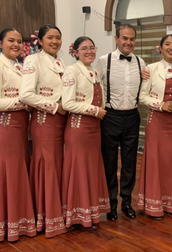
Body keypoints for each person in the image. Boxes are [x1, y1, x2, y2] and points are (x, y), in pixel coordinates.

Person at [0, 28, 36, 242]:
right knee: (8, 174)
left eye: (19, 41)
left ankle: (19, 220)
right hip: (4, 127)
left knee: (18, 172)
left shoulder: (20, 67)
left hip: (20, 128)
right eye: (10, 41)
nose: (16, 45)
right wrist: (24, 103)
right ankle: (6, 224)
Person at [20, 24, 68, 237]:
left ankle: (58, 213)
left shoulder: (61, 62)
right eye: (50, 37)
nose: (55, 41)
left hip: (62, 121)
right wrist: (53, 106)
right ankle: (47, 217)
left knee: (58, 166)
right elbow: (26, 95)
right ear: (39, 40)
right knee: (48, 166)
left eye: (58, 37)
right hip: (44, 120)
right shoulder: (33, 60)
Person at [95, 24, 146, 221]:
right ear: (116, 39)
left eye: (132, 39)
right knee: (109, 163)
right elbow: (93, 85)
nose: (128, 42)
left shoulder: (141, 63)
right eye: (124, 38)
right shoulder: (103, 61)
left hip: (133, 116)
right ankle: (111, 204)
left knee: (129, 162)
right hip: (110, 116)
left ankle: (126, 202)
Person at [137, 34, 172, 220]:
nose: (171, 47)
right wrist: (161, 105)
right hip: (157, 120)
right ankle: (154, 204)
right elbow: (142, 97)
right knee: (156, 160)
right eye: (167, 44)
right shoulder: (150, 69)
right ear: (160, 47)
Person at [61, 36, 110, 230]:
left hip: (94, 128)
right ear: (75, 52)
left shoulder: (93, 71)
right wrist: (94, 110)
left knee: (90, 170)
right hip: (79, 127)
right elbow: (67, 103)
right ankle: (76, 216)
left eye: (92, 47)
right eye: (84, 48)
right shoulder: (71, 71)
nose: (89, 51)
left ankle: (88, 213)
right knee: (79, 171)